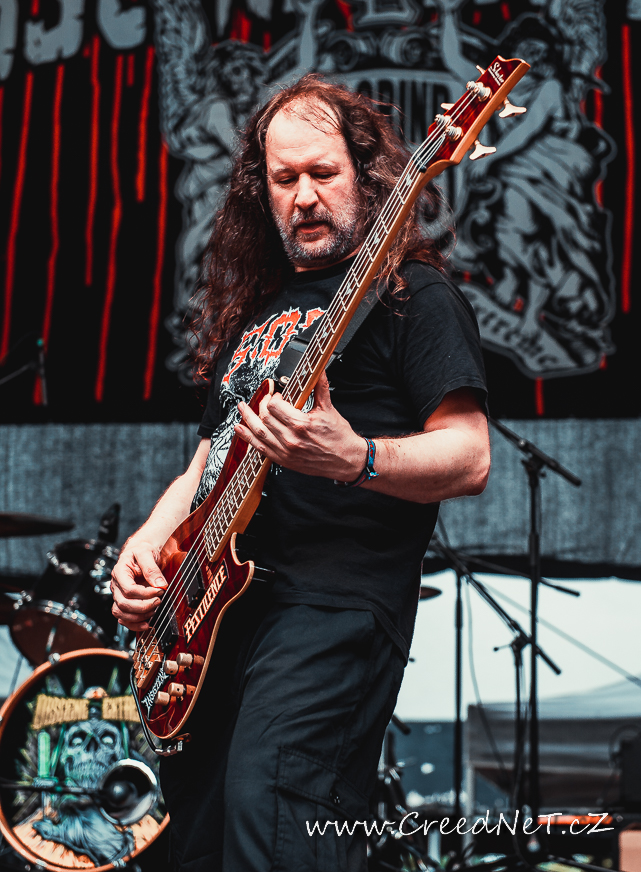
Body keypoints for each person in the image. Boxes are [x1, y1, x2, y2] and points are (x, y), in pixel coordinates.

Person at [111, 76, 490, 872]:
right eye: (285, 179)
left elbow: (468, 455)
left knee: (273, 814)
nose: (305, 197)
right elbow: (211, 456)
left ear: (367, 176)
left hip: (329, 604)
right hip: (217, 617)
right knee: (198, 841)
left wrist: (355, 457)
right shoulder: (261, 312)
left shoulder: (411, 296)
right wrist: (145, 545)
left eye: (323, 173)